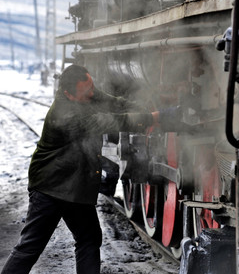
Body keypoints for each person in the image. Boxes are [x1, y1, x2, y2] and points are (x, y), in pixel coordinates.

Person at [1, 64, 183, 274]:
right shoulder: (66, 115)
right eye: (86, 92)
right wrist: (154, 117)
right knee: (30, 246)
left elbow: (112, 102)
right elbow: (114, 122)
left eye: (91, 88)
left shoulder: (87, 93)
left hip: (75, 186)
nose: (92, 94)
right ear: (69, 94)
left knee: (89, 238)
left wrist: (141, 107)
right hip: (51, 188)